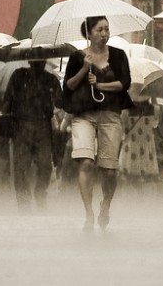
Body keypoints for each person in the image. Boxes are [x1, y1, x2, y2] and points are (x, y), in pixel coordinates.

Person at [63, 16, 133, 231]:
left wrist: (100, 85)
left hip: (110, 115)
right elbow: (69, 86)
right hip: (83, 115)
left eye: (106, 29)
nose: (104, 33)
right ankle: (89, 213)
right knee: (85, 162)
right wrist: (85, 68)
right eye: (99, 29)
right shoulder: (77, 57)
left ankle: (106, 205)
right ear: (89, 33)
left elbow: (124, 83)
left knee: (109, 169)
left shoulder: (119, 55)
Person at [1, 59, 60, 211]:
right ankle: (26, 199)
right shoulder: (20, 76)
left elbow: (60, 102)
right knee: (26, 165)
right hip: (24, 124)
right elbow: (8, 100)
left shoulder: (50, 79)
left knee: (43, 164)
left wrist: (55, 95)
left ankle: (36, 194)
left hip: (40, 125)